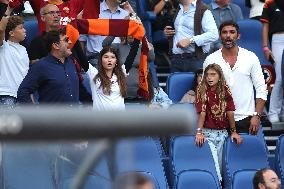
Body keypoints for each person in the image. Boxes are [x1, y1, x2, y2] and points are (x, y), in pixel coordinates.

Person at [203, 20, 267, 135]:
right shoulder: (210, 60)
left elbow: (261, 89)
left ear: (238, 36)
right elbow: (205, 91)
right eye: (224, 32)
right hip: (218, 120)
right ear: (220, 36)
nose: (228, 35)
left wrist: (257, 116)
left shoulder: (250, 57)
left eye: (232, 32)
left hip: (246, 119)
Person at [195, 63, 242, 182]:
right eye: (207, 75)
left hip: (222, 134)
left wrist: (234, 132)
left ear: (219, 76)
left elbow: (230, 112)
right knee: (215, 167)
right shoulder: (202, 90)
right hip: (208, 134)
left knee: (221, 168)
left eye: (213, 74)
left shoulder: (225, 90)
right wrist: (199, 132)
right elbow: (202, 113)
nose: (209, 78)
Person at [17, 29, 80, 104]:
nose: (70, 42)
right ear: (56, 45)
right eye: (66, 40)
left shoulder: (71, 62)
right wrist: (33, 113)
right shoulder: (41, 66)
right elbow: (23, 91)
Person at [163, 0, 218, 73]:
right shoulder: (177, 8)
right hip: (176, 59)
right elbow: (180, 31)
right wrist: (167, 33)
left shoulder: (203, 10)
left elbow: (214, 34)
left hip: (195, 60)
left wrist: (191, 40)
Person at [79, 45, 139, 110]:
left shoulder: (121, 73)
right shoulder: (94, 74)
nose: (109, 60)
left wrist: (138, 38)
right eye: (106, 57)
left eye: (112, 57)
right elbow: (80, 54)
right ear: (101, 60)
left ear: (116, 61)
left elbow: (132, 54)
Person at [102, 31, 156, 102]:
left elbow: (151, 57)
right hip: (121, 94)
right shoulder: (118, 47)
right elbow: (105, 45)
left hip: (141, 93)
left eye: (134, 32)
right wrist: (117, 30)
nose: (131, 35)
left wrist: (143, 39)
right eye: (129, 32)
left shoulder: (145, 46)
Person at [79, 0, 131, 66]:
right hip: (96, 60)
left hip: (119, 60)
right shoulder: (91, 10)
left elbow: (128, 41)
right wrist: (82, 64)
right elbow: (82, 39)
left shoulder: (125, 15)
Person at [0, 1, 29, 108]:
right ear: (11, 33)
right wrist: (8, 10)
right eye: (21, 28)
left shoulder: (24, 50)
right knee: (7, 125)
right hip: (6, 95)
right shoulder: (3, 46)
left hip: (23, 96)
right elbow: (1, 29)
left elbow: (26, 75)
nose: (25, 30)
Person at [260, 0, 284, 123]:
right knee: (280, 77)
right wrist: (265, 47)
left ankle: (282, 111)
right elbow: (265, 26)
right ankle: (273, 112)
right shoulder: (269, 3)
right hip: (278, 40)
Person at [9, 0, 84, 33]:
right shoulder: (41, 5)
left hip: (70, 50)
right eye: (51, 13)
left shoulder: (73, 4)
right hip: (46, 50)